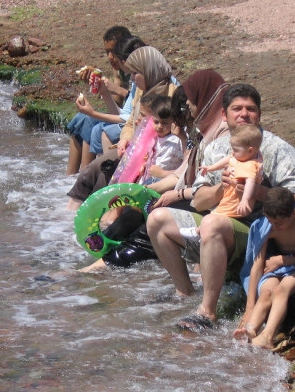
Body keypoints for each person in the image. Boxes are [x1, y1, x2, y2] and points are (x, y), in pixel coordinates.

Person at [146, 84, 295, 331]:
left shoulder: (278, 150)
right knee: (157, 219)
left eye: (251, 109)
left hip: (262, 234)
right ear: (225, 115)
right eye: (237, 109)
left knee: (212, 223)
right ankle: (185, 292)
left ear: (259, 115)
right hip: (222, 224)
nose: (244, 114)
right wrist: (221, 190)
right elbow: (198, 202)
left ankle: (207, 312)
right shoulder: (216, 149)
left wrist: (256, 192)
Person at [76, 70, 230, 269]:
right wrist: (138, 193)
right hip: (190, 196)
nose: (187, 109)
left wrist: (175, 194)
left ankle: (104, 265)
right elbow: (181, 174)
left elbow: (208, 186)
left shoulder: (219, 134)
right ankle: (103, 253)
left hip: (206, 206)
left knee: (151, 221)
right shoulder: (201, 132)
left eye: (190, 103)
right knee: (134, 212)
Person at [66, 45, 178, 210]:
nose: (131, 79)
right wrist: (125, 139)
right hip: (134, 145)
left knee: (106, 168)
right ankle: (68, 217)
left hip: (154, 155)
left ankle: (97, 217)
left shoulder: (172, 93)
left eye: (135, 73)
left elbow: (171, 133)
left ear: (148, 71)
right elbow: (131, 121)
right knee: (92, 169)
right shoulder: (143, 90)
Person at [234, 187, 295, 348]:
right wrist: (249, 307)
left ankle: (268, 335)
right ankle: (251, 329)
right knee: (266, 291)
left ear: (294, 214)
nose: (273, 226)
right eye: (270, 221)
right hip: (276, 266)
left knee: (281, 290)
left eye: (278, 223)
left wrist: (284, 260)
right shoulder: (268, 226)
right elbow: (256, 266)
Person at [66, 26, 132, 175]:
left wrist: (115, 89)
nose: (109, 57)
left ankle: (84, 177)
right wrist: (100, 88)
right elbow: (118, 103)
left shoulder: (136, 67)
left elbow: (139, 101)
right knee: (80, 119)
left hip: (132, 120)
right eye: (106, 52)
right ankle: (69, 178)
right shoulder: (118, 69)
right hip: (123, 113)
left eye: (113, 51)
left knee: (91, 123)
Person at [179, 124, 263, 240]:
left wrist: (245, 200)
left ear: (250, 150)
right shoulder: (241, 156)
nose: (233, 152)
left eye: (236, 150)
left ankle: (197, 232)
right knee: (217, 213)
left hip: (237, 202)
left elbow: (250, 183)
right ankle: (200, 233)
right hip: (230, 195)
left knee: (216, 214)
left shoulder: (249, 165)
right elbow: (228, 160)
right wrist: (210, 168)